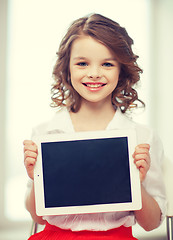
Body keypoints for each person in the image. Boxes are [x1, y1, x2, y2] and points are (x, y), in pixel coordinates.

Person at [24, 13, 166, 240]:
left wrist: (135, 183)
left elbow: (151, 224)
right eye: (82, 63)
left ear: (121, 70)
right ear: (67, 69)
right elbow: (38, 217)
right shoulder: (46, 133)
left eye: (107, 64)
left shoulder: (143, 137)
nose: (94, 73)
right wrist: (35, 177)